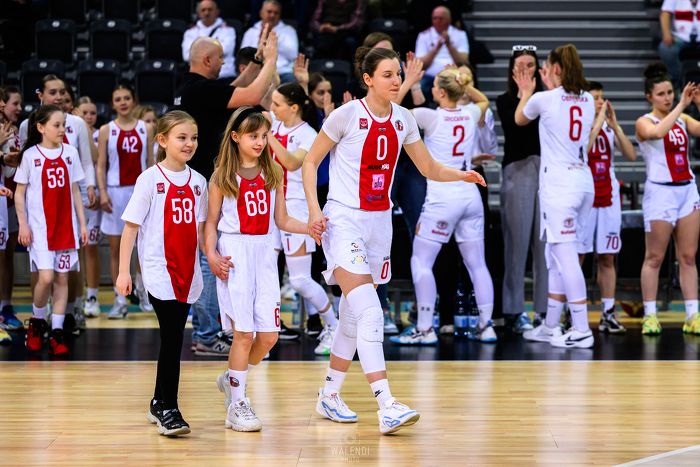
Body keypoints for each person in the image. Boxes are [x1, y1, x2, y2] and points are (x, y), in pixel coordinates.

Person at [302, 46, 485, 434]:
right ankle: (387, 404)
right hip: (344, 220)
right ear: (368, 79)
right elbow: (310, 161)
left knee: (353, 315)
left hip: (380, 223)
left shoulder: (404, 118)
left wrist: (461, 174)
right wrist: (315, 210)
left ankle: (329, 394)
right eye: (388, 74)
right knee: (371, 312)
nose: (396, 79)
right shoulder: (346, 114)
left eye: (398, 73)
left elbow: (428, 166)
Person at [174, 31, 278, 356]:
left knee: (206, 259)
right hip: (209, 184)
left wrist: (257, 61)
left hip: (200, 182)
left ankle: (207, 332)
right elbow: (251, 93)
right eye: (220, 59)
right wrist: (271, 61)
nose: (223, 63)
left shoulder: (189, 87)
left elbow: (235, 86)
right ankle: (206, 334)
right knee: (209, 261)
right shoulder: (202, 89)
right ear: (208, 60)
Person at [208, 107, 311, 431]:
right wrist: (210, 254)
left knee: (268, 337)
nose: (260, 141)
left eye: (264, 135)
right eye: (253, 135)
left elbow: (281, 220)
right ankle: (237, 404)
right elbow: (209, 223)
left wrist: (309, 227)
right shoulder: (222, 176)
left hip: (265, 252)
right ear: (235, 137)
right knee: (243, 334)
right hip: (235, 253)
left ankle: (232, 378)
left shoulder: (273, 172)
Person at [117, 111, 207, 436]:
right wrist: (124, 272)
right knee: (172, 336)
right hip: (158, 270)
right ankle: (170, 408)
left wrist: (213, 259)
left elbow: (201, 231)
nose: (189, 143)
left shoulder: (199, 182)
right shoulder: (149, 179)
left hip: (188, 272)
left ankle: (157, 402)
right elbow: (130, 229)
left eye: (193, 138)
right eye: (182, 137)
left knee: (173, 336)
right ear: (163, 141)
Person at [392, 69, 496, 345]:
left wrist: (409, 82)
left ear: (440, 92)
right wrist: (466, 84)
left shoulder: (430, 116)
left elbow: (391, 111)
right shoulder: (470, 113)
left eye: (434, 86)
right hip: (470, 194)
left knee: (421, 261)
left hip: (443, 197)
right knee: (477, 265)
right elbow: (484, 100)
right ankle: (486, 326)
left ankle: (425, 329)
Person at [515, 44, 598, 349]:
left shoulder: (543, 98)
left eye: (547, 67)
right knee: (554, 256)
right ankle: (551, 326)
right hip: (583, 182)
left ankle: (581, 328)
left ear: (555, 69)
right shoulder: (588, 99)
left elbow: (520, 119)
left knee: (565, 257)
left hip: (560, 187)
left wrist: (526, 90)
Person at [19, 76, 97, 335]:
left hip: (67, 220)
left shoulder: (71, 146)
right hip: (40, 222)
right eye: (57, 125)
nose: (63, 129)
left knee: (64, 275)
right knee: (45, 275)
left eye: (64, 125)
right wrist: (23, 223)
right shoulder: (30, 149)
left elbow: (79, 181)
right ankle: (37, 320)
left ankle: (61, 326)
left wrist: (83, 222)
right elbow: (20, 189)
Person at [268, 82, 339, 353]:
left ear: (294, 107)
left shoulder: (308, 134)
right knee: (266, 274)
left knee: (299, 280)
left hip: (296, 208)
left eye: (277, 104)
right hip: (270, 205)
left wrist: (266, 134)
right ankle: (266, 333)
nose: (272, 108)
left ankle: (333, 328)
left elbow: (291, 162)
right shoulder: (274, 124)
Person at [635, 62, 700, 335]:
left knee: (688, 256)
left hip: (686, 190)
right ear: (649, 96)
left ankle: (692, 315)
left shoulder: (682, 118)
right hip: (661, 193)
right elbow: (658, 133)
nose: (667, 98)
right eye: (661, 94)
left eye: (670, 92)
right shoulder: (644, 121)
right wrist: (682, 105)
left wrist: (697, 103)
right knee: (654, 257)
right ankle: (650, 315)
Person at [495, 46, 547, 333]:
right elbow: (516, 130)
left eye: (530, 65)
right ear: (512, 70)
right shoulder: (504, 100)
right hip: (518, 169)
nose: (526, 70)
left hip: (547, 171)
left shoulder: (547, 99)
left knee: (544, 245)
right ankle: (515, 311)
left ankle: (544, 310)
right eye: (520, 65)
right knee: (516, 244)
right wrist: (525, 94)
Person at [578, 82, 637, 333]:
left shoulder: (608, 128)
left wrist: (616, 127)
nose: (601, 102)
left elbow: (631, 155)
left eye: (601, 97)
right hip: (584, 197)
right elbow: (583, 151)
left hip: (608, 196)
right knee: (578, 257)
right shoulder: (578, 126)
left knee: (607, 257)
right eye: (595, 98)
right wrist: (598, 122)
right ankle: (573, 313)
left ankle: (608, 313)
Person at [97, 84, 155, 319]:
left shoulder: (146, 128)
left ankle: (143, 292)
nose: (122, 102)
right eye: (118, 99)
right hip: (114, 192)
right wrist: (102, 191)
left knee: (143, 246)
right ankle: (119, 299)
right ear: (112, 104)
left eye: (126, 98)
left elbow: (150, 162)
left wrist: (154, 193)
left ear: (134, 101)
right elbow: (101, 165)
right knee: (116, 249)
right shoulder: (106, 130)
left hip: (140, 191)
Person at [76, 96, 103, 317]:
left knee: (90, 247)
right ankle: (77, 297)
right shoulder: (65, 130)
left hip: (92, 193)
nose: (88, 116)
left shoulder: (99, 133)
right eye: (84, 113)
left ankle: (92, 297)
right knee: (74, 248)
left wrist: (83, 126)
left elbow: (96, 158)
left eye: (92, 113)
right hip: (73, 192)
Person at [0, 86, 22, 331]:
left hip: (10, 199)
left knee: (7, 255)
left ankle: (5, 308)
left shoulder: (12, 131)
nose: (19, 108)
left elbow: (8, 169)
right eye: (14, 103)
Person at [415, 6, 469, 101]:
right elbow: (420, 64)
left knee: (463, 85)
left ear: (449, 20)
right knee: (420, 86)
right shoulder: (423, 35)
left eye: (441, 18)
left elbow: (463, 61)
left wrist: (449, 45)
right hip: (429, 77)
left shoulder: (460, 34)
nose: (437, 21)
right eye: (435, 18)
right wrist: (436, 49)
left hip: (453, 76)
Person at [241, 0, 298, 83]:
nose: (272, 15)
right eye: (269, 12)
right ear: (261, 13)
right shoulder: (251, 32)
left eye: (276, 13)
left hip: (282, 73)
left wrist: (273, 40)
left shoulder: (289, 30)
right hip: (257, 74)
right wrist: (260, 41)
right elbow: (243, 56)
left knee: (293, 79)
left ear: (280, 15)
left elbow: (293, 55)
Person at [182, 0, 237, 80]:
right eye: (203, 10)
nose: (207, 12)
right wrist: (215, 48)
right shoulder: (190, 33)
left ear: (217, 12)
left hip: (224, 76)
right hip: (199, 78)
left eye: (210, 9)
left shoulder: (228, 30)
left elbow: (226, 50)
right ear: (198, 13)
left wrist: (198, 51)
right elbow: (187, 56)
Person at [658, 0, 698, 89]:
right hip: (680, 36)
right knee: (666, 48)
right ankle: (679, 80)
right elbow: (665, 14)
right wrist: (666, 34)